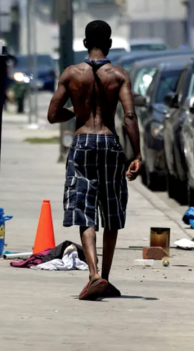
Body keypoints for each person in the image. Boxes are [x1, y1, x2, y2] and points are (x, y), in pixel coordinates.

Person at [46, 20, 142, 301]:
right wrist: (136, 154)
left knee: (84, 208)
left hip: (83, 142)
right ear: (110, 43)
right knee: (111, 210)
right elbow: (129, 116)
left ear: (85, 44)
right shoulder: (120, 75)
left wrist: (76, 115)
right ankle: (106, 278)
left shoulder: (71, 74)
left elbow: (53, 114)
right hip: (110, 142)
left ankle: (93, 274)